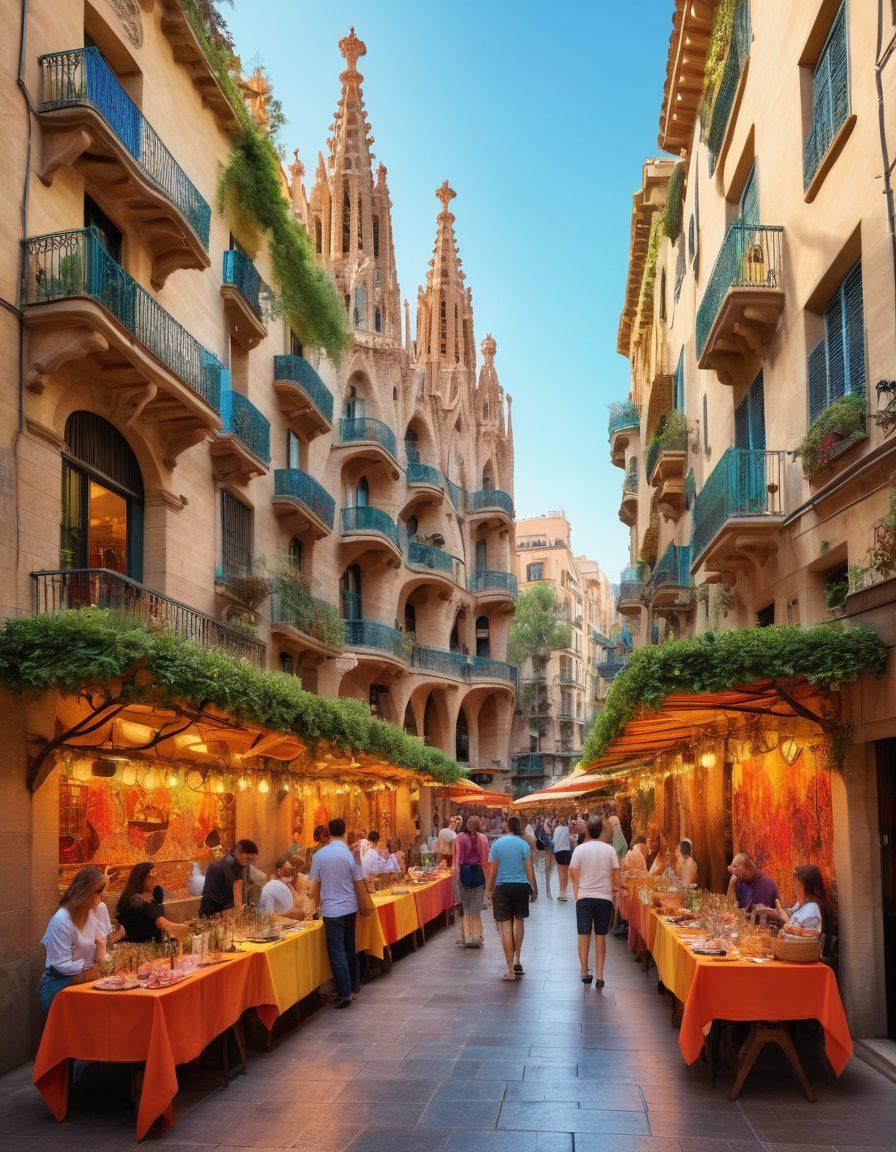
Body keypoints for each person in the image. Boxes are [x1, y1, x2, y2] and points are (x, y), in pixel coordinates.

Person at [308, 818, 368, 1009]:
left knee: (337, 951)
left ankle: (344, 993)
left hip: (332, 910)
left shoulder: (320, 855)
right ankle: (353, 987)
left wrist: (316, 904)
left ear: (328, 832)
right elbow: (358, 878)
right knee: (350, 948)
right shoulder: (350, 854)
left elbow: (314, 886)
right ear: (345, 831)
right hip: (350, 907)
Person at [39, 866, 108, 1012]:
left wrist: (101, 952)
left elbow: (99, 944)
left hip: (83, 984)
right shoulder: (61, 920)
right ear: (85, 893)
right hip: (59, 987)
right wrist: (90, 970)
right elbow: (61, 964)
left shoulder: (89, 914)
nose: (104, 894)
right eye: (99, 891)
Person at [570, 818, 620, 989]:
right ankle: (600, 975)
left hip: (584, 896)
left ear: (587, 831)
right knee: (600, 936)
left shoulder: (579, 850)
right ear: (601, 831)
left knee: (583, 935)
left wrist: (576, 890)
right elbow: (616, 876)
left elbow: (573, 872)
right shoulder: (610, 850)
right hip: (604, 897)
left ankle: (584, 971)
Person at [487, 815, 538, 981]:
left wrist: (489, 891)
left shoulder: (497, 845)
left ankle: (509, 969)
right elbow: (529, 869)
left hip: (502, 887)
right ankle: (517, 959)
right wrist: (534, 887)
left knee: (505, 927)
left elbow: (492, 872)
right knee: (519, 921)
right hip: (521, 886)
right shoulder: (523, 844)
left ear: (507, 827)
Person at [117, 862, 190, 943]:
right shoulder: (136, 900)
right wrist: (188, 927)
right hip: (141, 948)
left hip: (153, 943)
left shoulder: (150, 899)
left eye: (155, 877)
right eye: (149, 877)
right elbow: (166, 926)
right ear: (140, 879)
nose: (153, 880)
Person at [755, 864, 828, 937]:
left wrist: (794, 932)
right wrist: (775, 911)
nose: (793, 884)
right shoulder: (800, 904)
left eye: (794, 880)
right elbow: (791, 922)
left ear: (803, 884)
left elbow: (809, 942)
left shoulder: (812, 910)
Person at [453, 815, 490, 948]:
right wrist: (487, 879)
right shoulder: (483, 838)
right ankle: (477, 936)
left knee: (466, 907)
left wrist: (457, 879)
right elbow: (485, 861)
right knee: (476, 908)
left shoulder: (459, 837)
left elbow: (457, 860)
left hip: (464, 873)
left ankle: (467, 936)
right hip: (479, 874)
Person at [199, 839, 259, 917]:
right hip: (212, 912)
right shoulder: (232, 864)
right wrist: (238, 912)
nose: (249, 862)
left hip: (212, 909)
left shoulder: (236, 862)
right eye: (248, 859)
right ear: (238, 853)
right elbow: (236, 892)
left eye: (252, 860)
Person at [259, 855, 306, 919]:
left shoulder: (290, 885)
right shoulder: (272, 887)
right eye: (287, 870)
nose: (292, 873)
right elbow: (268, 915)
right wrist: (292, 915)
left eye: (291, 870)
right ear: (279, 871)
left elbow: (296, 905)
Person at [553, 818, 572, 901]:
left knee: (561, 873)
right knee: (566, 873)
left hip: (559, 851)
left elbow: (554, 841)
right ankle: (564, 893)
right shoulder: (567, 829)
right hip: (567, 851)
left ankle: (562, 895)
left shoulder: (556, 829)